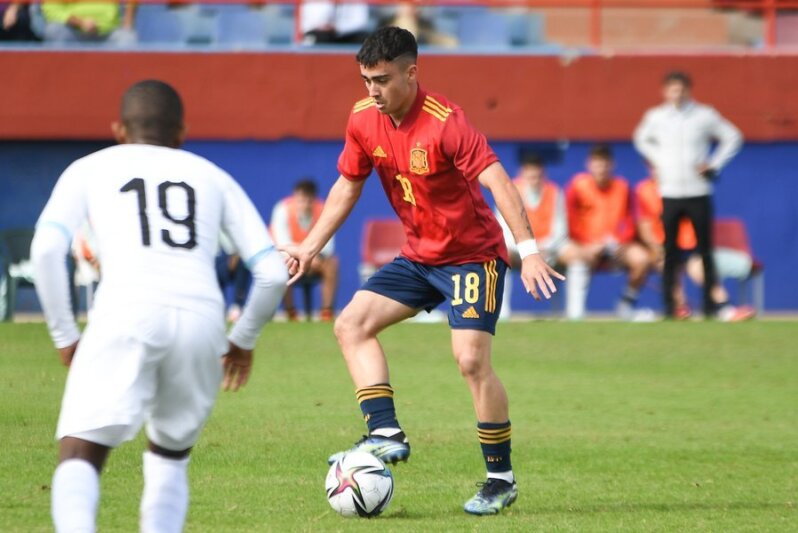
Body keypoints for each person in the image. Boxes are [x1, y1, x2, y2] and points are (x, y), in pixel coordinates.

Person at [280, 27, 563, 515]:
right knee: (351, 324)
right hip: (419, 258)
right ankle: (385, 432)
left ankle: (500, 478)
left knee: (471, 360)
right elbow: (347, 186)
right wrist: (309, 247)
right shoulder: (363, 118)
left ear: (412, 73)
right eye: (366, 79)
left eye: (383, 79)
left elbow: (498, 181)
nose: (372, 90)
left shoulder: (446, 122)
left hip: (473, 256)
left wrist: (530, 250)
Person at [30, 80, 287, 533]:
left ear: (119, 129)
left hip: (125, 307)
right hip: (201, 320)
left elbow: (48, 247)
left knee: (81, 449)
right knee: (169, 456)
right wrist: (241, 341)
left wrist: (64, 336)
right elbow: (272, 272)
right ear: (182, 132)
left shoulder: (89, 167)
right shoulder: (213, 175)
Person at [633, 70, 743, 319]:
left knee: (704, 250)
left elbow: (733, 137)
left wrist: (713, 164)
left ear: (688, 90)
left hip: (697, 190)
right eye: (672, 89)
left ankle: (710, 306)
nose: (677, 93)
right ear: (665, 91)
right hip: (670, 191)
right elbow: (641, 139)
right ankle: (671, 307)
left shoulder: (704, 115)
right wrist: (661, 161)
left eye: (681, 88)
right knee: (670, 251)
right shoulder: (656, 116)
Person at [635, 174, 755, 321]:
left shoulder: (686, 185)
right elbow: (644, 226)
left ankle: (725, 308)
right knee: (668, 264)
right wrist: (657, 247)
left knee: (699, 268)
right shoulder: (645, 190)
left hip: (688, 246)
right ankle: (680, 307)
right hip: (661, 248)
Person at [559, 144, 654, 321]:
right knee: (575, 256)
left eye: (604, 164)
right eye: (597, 164)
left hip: (616, 247)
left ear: (612, 165)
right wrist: (587, 243)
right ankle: (575, 313)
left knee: (641, 259)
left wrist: (622, 241)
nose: (601, 169)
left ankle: (625, 305)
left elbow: (631, 220)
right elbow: (569, 220)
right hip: (586, 245)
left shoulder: (623, 187)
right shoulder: (577, 186)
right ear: (589, 165)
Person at [495, 152, 566, 319]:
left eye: (537, 176)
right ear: (522, 174)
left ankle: (570, 315)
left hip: (548, 250)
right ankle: (501, 313)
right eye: (530, 176)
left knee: (574, 255)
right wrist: (527, 251)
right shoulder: (510, 191)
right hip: (518, 251)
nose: (534, 180)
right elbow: (502, 229)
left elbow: (561, 229)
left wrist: (543, 248)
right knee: (499, 255)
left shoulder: (554, 192)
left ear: (543, 174)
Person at [270, 179, 339, 322]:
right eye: (301, 200)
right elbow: (283, 243)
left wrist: (312, 256)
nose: (305, 205)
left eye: (308, 201)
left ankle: (326, 313)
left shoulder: (324, 210)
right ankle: (291, 313)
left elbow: (328, 244)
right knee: (282, 265)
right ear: (295, 198)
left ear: (314, 200)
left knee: (332, 264)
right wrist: (305, 256)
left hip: (315, 259)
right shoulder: (282, 209)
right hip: (290, 258)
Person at [41, 0, 136, 45]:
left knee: (127, 37)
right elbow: (51, 10)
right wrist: (80, 23)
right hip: (73, 34)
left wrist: (128, 21)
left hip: (109, 34)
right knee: (54, 30)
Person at [300, 0, 370, 45]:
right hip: (320, 33)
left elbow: (361, 22)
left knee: (364, 39)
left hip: (346, 34)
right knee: (320, 37)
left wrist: (337, 28)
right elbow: (307, 23)